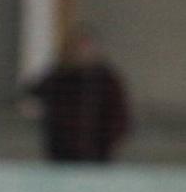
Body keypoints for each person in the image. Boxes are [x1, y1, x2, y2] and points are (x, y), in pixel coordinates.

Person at [26, 25, 130, 162]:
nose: (80, 53)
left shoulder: (106, 81)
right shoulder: (58, 77)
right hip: (60, 155)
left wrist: (106, 141)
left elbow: (119, 117)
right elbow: (33, 93)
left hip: (97, 156)